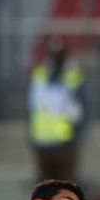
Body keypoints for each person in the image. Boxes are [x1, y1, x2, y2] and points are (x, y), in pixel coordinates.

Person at [28, 36, 87, 182]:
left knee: (65, 190)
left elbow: (83, 109)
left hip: (65, 142)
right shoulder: (40, 76)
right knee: (46, 191)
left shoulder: (73, 75)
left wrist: (77, 137)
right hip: (43, 142)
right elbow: (30, 108)